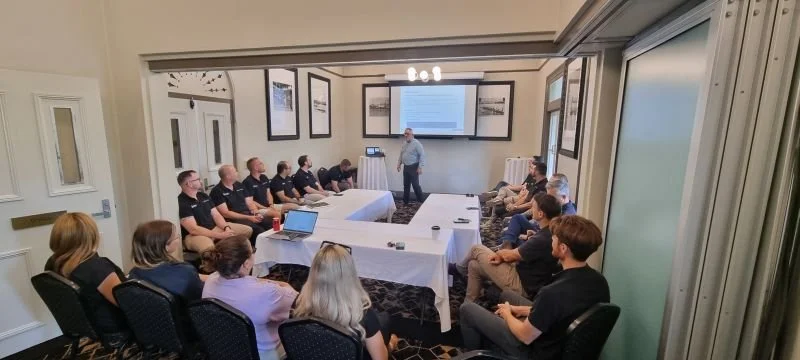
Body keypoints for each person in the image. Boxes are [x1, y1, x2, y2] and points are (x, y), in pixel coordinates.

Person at [459, 215, 610, 359]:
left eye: (554, 238)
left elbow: (525, 336)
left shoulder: (552, 292)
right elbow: (564, 311)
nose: (551, 239)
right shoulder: (599, 282)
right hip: (561, 341)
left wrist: (507, 314)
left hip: (534, 351)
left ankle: (474, 356)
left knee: (467, 309)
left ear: (563, 248)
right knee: (507, 295)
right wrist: (519, 310)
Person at [294, 244, 398, 359]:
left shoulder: (301, 304)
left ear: (314, 273)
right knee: (384, 319)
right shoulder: (363, 314)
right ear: (350, 275)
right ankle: (390, 345)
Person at [201, 235, 297, 360]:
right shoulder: (268, 292)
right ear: (246, 264)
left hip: (221, 347)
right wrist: (285, 285)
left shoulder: (211, 280)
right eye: (253, 250)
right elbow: (298, 302)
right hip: (261, 354)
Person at [453, 193, 562, 302]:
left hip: (522, 285)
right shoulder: (549, 232)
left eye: (533, 207)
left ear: (541, 213)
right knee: (473, 265)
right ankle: (468, 305)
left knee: (476, 249)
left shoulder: (541, 239)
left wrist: (500, 253)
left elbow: (510, 256)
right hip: (527, 277)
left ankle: (459, 269)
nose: (531, 208)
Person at [44, 212, 127, 333]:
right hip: (112, 325)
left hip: (84, 323)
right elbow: (127, 304)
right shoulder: (97, 269)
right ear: (91, 236)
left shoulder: (52, 263)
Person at [128, 220, 205, 304]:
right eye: (176, 237)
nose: (179, 237)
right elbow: (199, 300)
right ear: (166, 246)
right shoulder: (186, 271)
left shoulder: (133, 274)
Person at [177, 170, 251, 253]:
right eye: (198, 179)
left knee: (247, 230)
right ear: (189, 184)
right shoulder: (181, 202)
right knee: (208, 248)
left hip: (214, 228)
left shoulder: (203, 196)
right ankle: (213, 263)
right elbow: (193, 229)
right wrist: (219, 235)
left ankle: (230, 254)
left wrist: (226, 228)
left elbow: (216, 215)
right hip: (195, 235)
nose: (201, 181)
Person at [497, 179, 577, 249]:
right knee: (517, 218)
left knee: (514, 238)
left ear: (563, 197)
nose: (547, 199)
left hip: (546, 241)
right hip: (540, 231)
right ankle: (507, 244)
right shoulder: (558, 206)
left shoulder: (567, 215)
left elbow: (551, 239)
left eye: (551, 197)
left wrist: (533, 236)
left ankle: (507, 245)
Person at [210, 165, 271, 246]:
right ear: (228, 176)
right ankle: (257, 251)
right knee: (258, 231)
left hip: (249, 214)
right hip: (234, 219)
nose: (237, 173)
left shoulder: (239, 185)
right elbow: (226, 213)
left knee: (269, 222)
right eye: (235, 171)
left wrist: (256, 213)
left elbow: (250, 203)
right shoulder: (217, 191)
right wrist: (249, 217)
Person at [396, 128, 425, 205]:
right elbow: (401, 154)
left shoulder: (417, 143)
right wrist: (399, 164)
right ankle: (405, 202)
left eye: (407, 134)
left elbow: (422, 155)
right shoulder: (404, 143)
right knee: (406, 185)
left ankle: (422, 201)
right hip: (406, 167)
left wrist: (420, 167)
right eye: (405, 134)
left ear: (412, 135)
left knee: (415, 185)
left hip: (414, 167)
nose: (406, 135)